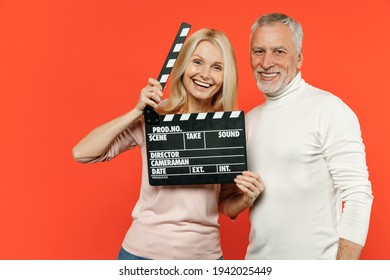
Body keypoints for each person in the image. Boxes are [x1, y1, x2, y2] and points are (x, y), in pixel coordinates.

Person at [72, 28, 263, 260]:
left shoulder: (228, 129)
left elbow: (224, 204)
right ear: (183, 66)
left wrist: (247, 198)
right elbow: (82, 152)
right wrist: (135, 112)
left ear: (226, 76)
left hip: (204, 257)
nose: (205, 74)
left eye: (217, 67)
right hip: (142, 254)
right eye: (197, 62)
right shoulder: (154, 116)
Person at [226, 13, 373, 259]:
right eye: (258, 51)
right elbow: (229, 206)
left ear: (300, 57)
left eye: (279, 52)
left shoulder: (328, 109)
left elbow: (358, 195)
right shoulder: (247, 121)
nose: (266, 62)